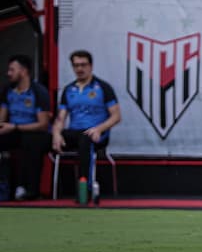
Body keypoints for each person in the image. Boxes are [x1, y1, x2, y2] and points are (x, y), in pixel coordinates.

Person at [51, 50, 121, 196]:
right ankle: (28, 190)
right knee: (36, 139)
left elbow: (116, 116)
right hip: (74, 132)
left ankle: (84, 188)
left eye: (83, 65)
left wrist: (99, 129)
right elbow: (60, 118)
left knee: (85, 138)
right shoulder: (69, 90)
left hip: (96, 134)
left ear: (90, 66)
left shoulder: (103, 87)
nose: (80, 69)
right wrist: (56, 134)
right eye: (76, 65)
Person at [0, 55, 52, 201]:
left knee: (31, 142)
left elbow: (43, 125)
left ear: (23, 71)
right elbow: (2, 119)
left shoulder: (38, 92)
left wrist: (15, 127)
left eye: (12, 70)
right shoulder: (8, 91)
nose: (8, 73)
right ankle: (4, 189)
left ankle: (30, 190)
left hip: (36, 133)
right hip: (13, 131)